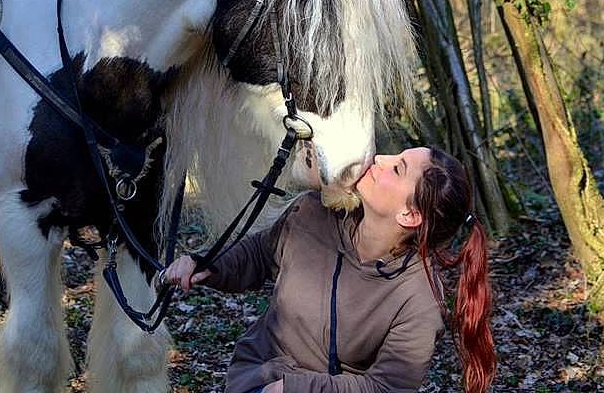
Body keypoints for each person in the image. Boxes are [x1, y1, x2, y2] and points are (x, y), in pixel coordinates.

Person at [165, 147, 496, 393]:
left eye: (397, 168)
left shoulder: (419, 300)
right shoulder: (313, 212)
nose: (379, 158)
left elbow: (386, 389)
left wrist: (293, 390)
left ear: (409, 216)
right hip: (259, 377)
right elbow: (260, 253)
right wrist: (206, 264)